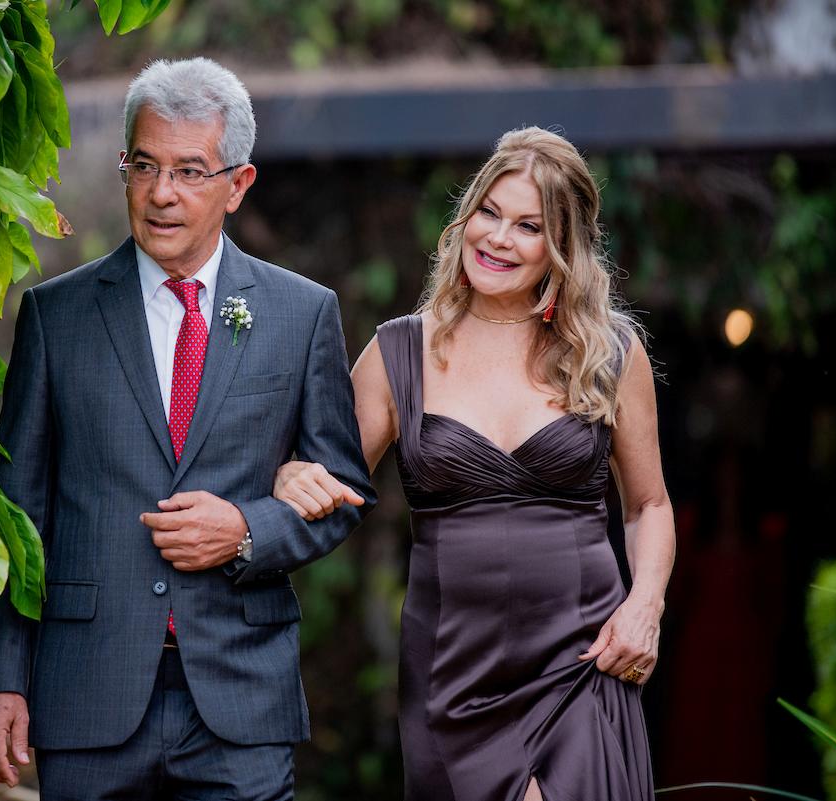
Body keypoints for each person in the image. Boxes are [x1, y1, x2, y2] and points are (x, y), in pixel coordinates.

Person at [0, 58, 375, 801]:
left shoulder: (300, 312)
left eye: (190, 170)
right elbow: (14, 514)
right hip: (86, 694)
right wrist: (0, 679)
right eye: (145, 165)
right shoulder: (56, 317)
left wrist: (248, 531)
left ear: (237, 184)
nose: (162, 193)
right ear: (123, 167)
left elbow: (343, 490)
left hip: (239, 700)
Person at [273, 127, 675, 801]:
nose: (497, 237)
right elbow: (328, 478)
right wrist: (290, 475)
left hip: (581, 659)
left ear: (562, 248)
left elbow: (649, 506)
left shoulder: (610, 353)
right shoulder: (398, 352)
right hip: (453, 677)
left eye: (528, 225)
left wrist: (646, 605)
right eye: (489, 212)